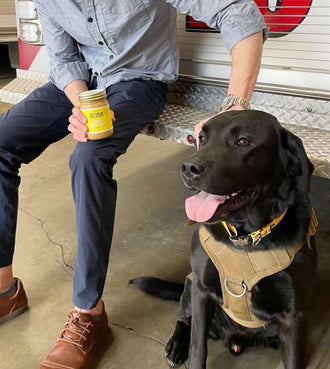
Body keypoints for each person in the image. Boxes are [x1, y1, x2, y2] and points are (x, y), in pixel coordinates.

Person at [0, 1, 268, 368]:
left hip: (139, 82)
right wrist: (81, 103)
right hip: (87, 85)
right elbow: (64, 59)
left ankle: (88, 312)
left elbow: (239, 12)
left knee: (89, 156)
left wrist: (236, 105)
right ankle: (6, 289)